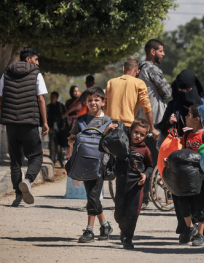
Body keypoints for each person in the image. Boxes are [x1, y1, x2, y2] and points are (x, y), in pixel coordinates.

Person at [0, 47, 49, 207]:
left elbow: (1, 97)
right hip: (29, 122)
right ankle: (28, 180)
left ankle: (18, 194)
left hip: (11, 124)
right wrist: (45, 122)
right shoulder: (36, 73)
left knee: (15, 159)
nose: (38, 63)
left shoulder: (6, 74)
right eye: (36, 59)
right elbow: (40, 99)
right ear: (28, 59)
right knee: (36, 156)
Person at [67, 87, 114, 243]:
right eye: (90, 100)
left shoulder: (108, 121)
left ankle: (89, 231)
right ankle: (105, 225)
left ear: (102, 102)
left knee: (92, 196)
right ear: (85, 102)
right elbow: (71, 139)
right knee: (92, 196)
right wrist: (77, 143)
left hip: (100, 165)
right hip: (83, 163)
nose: (93, 103)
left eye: (96, 100)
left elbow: (114, 145)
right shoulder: (80, 121)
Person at [166, 105, 204, 246]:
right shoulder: (186, 134)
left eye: (188, 115)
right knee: (183, 203)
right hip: (186, 177)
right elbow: (182, 152)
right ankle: (189, 227)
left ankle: (200, 234)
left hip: (202, 177)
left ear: (197, 119)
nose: (186, 117)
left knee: (201, 206)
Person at [105, 118, 154, 250]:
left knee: (132, 214)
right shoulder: (122, 144)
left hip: (136, 187)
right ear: (130, 130)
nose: (138, 136)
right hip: (121, 185)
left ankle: (128, 238)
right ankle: (124, 230)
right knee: (119, 214)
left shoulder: (145, 150)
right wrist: (107, 131)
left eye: (142, 134)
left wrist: (146, 174)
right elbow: (106, 144)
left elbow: (150, 166)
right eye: (136, 132)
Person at [104, 59, 159, 139]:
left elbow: (105, 106)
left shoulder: (111, 82)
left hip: (110, 126)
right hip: (126, 127)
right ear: (138, 71)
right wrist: (152, 128)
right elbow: (146, 107)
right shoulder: (139, 83)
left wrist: (106, 124)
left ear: (123, 68)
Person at [137, 39, 172, 155]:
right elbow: (167, 93)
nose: (163, 54)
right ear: (153, 51)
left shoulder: (138, 69)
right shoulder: (152, 69)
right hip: (156, 122)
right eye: (161, 51)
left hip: (140, 121)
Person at [157, 70, 204, 137]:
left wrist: (195, 130)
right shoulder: (173, 106)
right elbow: (162, 130)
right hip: (179, 145)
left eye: (188, 89)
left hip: (201, 145)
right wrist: (169, 122)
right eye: (181, 90)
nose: (185, 93)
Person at [47, 91, 69, 167]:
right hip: (51, 128)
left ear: (57, 98)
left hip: (60, 128)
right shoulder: (48, 107)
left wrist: (66, 126)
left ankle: (61, 160)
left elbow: (66, 117)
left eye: (54, 97)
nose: (52, 98)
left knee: (61, 145)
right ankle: (53, 160)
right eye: (51, 97)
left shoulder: (61, 106)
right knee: (52, 144)